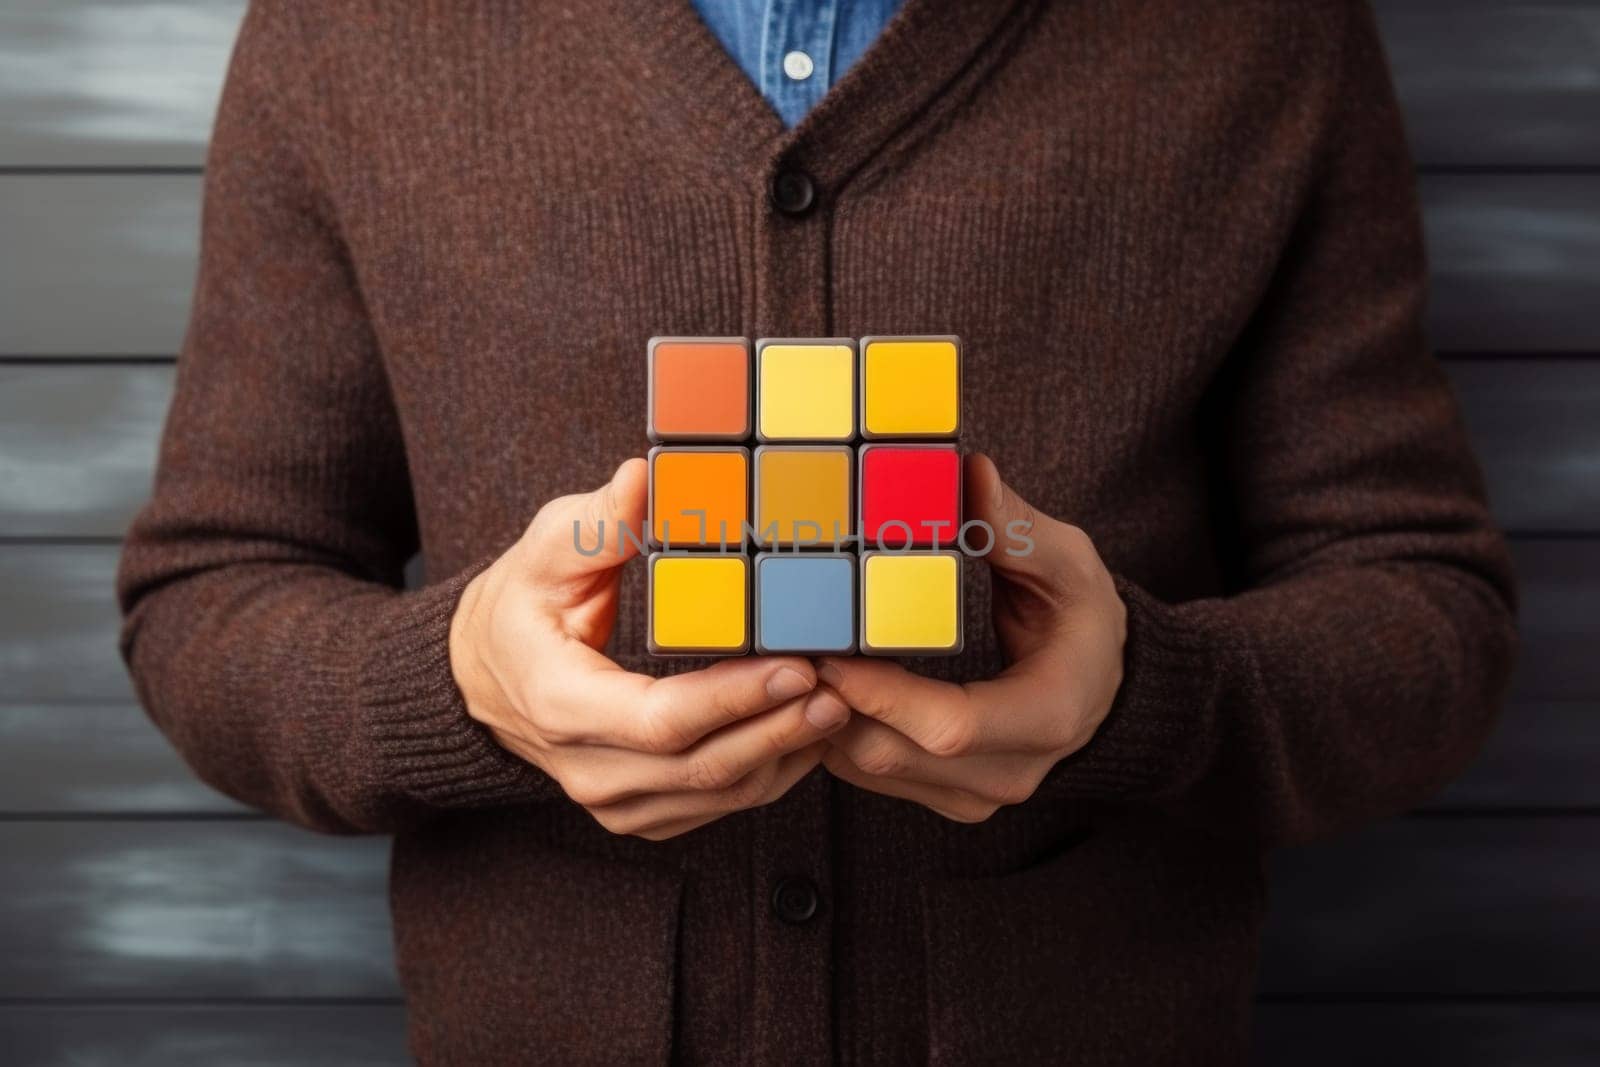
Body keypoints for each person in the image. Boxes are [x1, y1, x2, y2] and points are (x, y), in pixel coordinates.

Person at [116, 0, 1517, 1062]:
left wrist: (1155, 701)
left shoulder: (1267, 33)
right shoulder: (345, 30)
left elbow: (1422, 606)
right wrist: (458, 686)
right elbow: (210, 597)